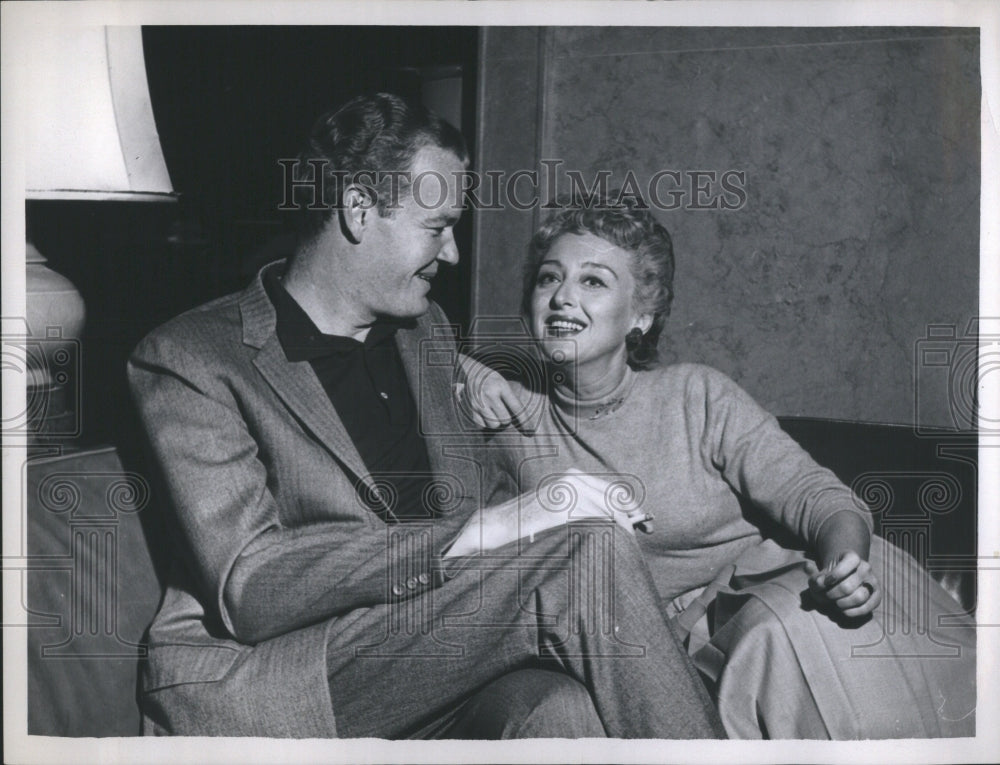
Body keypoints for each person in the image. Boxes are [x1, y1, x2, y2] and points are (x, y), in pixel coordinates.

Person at [127, 94, 726, 739]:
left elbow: (483, 492)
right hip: (289, 672)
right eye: (437, 227)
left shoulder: (426, 333)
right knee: (585, 557)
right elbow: (252, 583)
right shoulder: (192, 357)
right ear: (359, 210)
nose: (453, 255)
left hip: (433, 646)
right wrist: (485, 533)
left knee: (564, 709)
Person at [454, 196, 977, 739]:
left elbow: (818, 496)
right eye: (547, 279)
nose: (562, 297)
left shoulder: (695, 394)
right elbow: (394, 325)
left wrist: (846, 566)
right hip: (647, 659)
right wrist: (465, 371)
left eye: (593, 281)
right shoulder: (506, 418)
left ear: (641, 314)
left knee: (781, 634)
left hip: (777, 598)